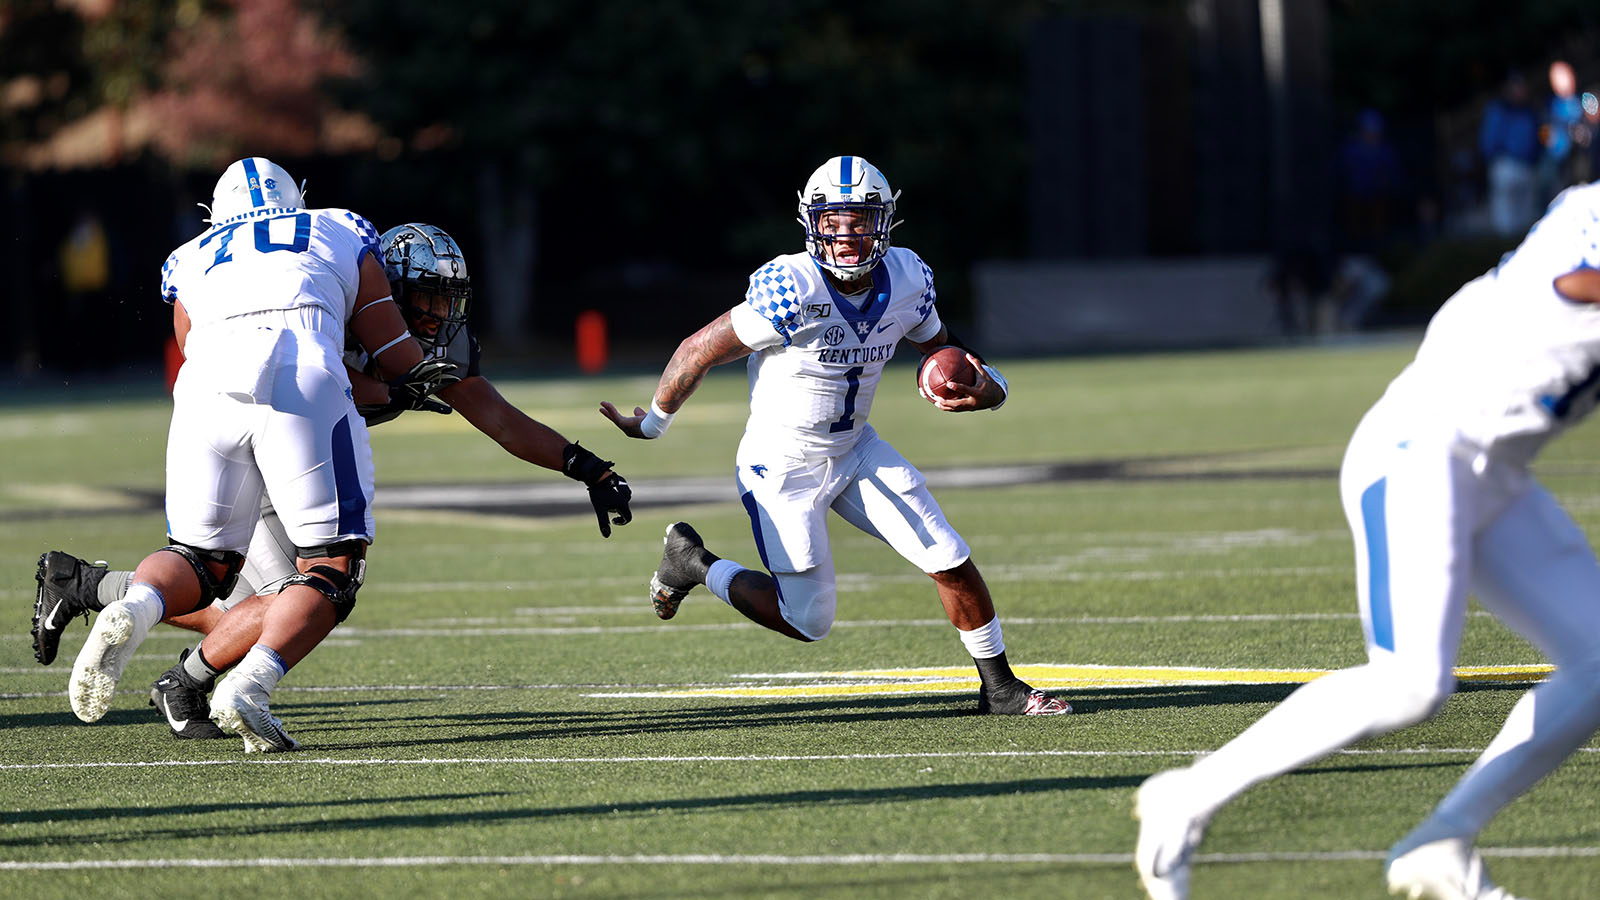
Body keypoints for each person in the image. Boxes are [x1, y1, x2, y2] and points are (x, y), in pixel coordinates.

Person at [1134, 180, 1600, 900]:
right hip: (1420, 450)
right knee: (1410, 683)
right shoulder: (1588, 212)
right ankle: (1188, 796)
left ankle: (1443, 842)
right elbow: (1577, 282)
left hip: (1497, 473)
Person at [34, 222, 634, 742]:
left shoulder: (430, 335)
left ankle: (108, 603)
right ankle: (173, 669)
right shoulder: (336, 309)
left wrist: (584, 465)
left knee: (260, 602)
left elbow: (498, 418)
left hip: (275, 441)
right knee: (296, 594)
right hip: (268, 438)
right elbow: (340, 380)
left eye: (445, 299)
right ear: (383, 291)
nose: (434, 314)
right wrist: (396, 388)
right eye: (421, 297)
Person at [599, 155, 1069, 717]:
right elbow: (701, 347)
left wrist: (990, 388)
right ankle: (693, 564)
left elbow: (946, 348)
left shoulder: (908, 276)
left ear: (885, 221)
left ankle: (1000, 688)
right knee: (809, 621)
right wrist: (652, 424)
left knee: (948, 554)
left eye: (859, 219)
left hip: (855, 449)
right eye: (832, 220)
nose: (845, 235)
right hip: (783, 461)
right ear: (811, 222)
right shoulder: (789, 285)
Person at [1480, 72, 1543, 236]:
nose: (1519, 91)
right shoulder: (1498, 110)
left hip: (1528, 167)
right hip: (1505, 165)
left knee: (1526, 221)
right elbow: (1489, 140)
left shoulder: (1530, 111)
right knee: (1506, 221)